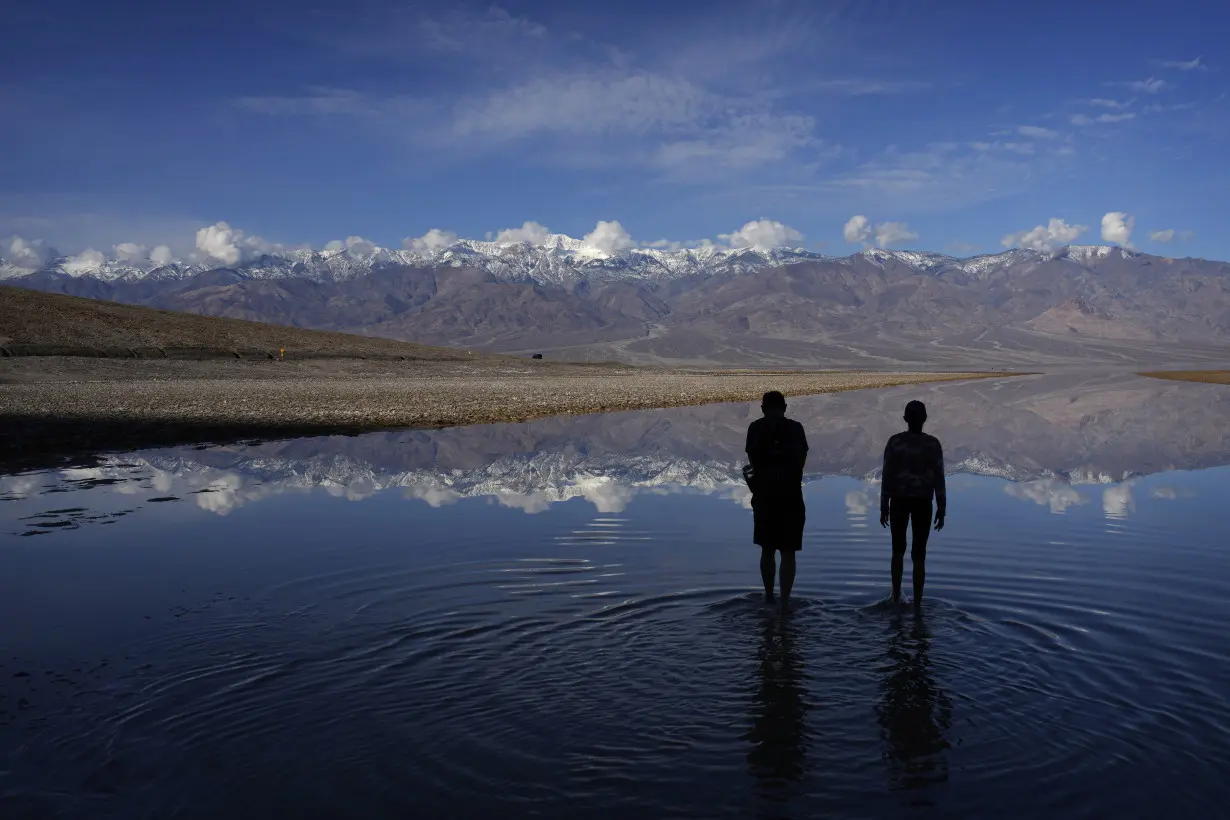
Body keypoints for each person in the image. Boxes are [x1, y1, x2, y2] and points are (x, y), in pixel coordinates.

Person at [879, 400, 946, 612]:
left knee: (897, 551)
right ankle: (917, 604)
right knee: (919, 554)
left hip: (898, 501)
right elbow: (939, 479)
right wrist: (942, 508)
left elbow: (887, 476)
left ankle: (896, 597)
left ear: (905, 419)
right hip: (923, 503)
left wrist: (884, 506)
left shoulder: (895, 442)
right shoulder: (933, 444)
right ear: (924, 419)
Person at [744, 391, 808, 610]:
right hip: (791, 497)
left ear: (763, 409)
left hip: (764, 497)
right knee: (788, 551)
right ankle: (785, 601)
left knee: (767, 549)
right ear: (785, 407)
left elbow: (752, 461)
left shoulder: (755, 428)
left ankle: (769, 597)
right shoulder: (796, 428)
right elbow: (801, 462)